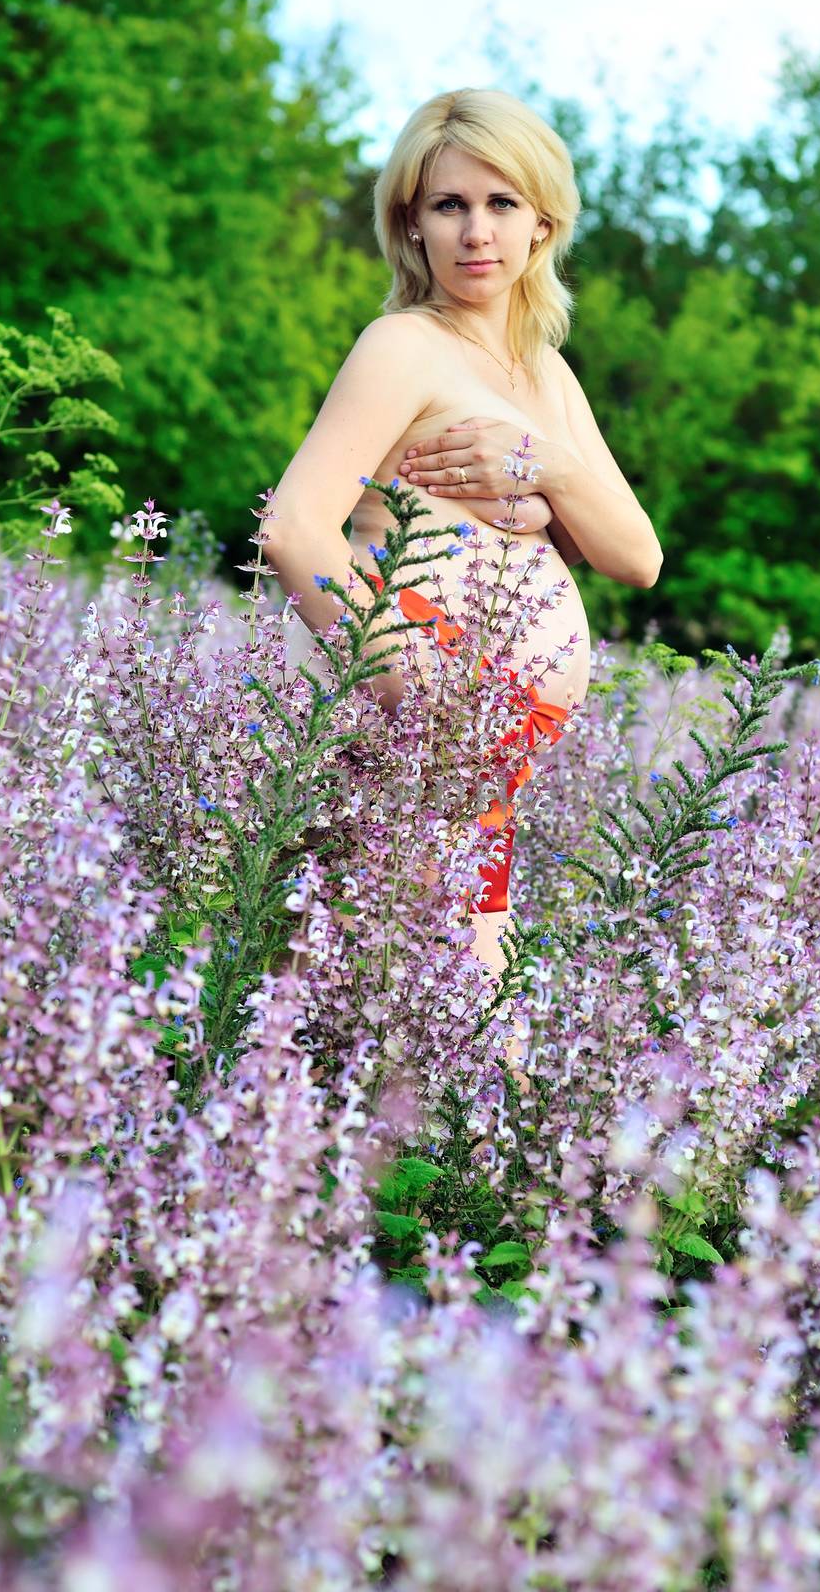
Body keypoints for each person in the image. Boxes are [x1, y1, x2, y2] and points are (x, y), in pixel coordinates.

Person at [263, 87, 662, 1091]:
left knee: (412, 997)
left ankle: (428, 1208)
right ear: (410, 222)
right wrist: (413, 687)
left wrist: (549, 467)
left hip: (491, 755)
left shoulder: (544, 376)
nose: (475, 230)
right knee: (416, 1006)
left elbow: (637, 556)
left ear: (543, 221)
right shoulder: (403, 346)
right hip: (424, 729)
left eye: (498, 202)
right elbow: (294, 525)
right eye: (446, 205)